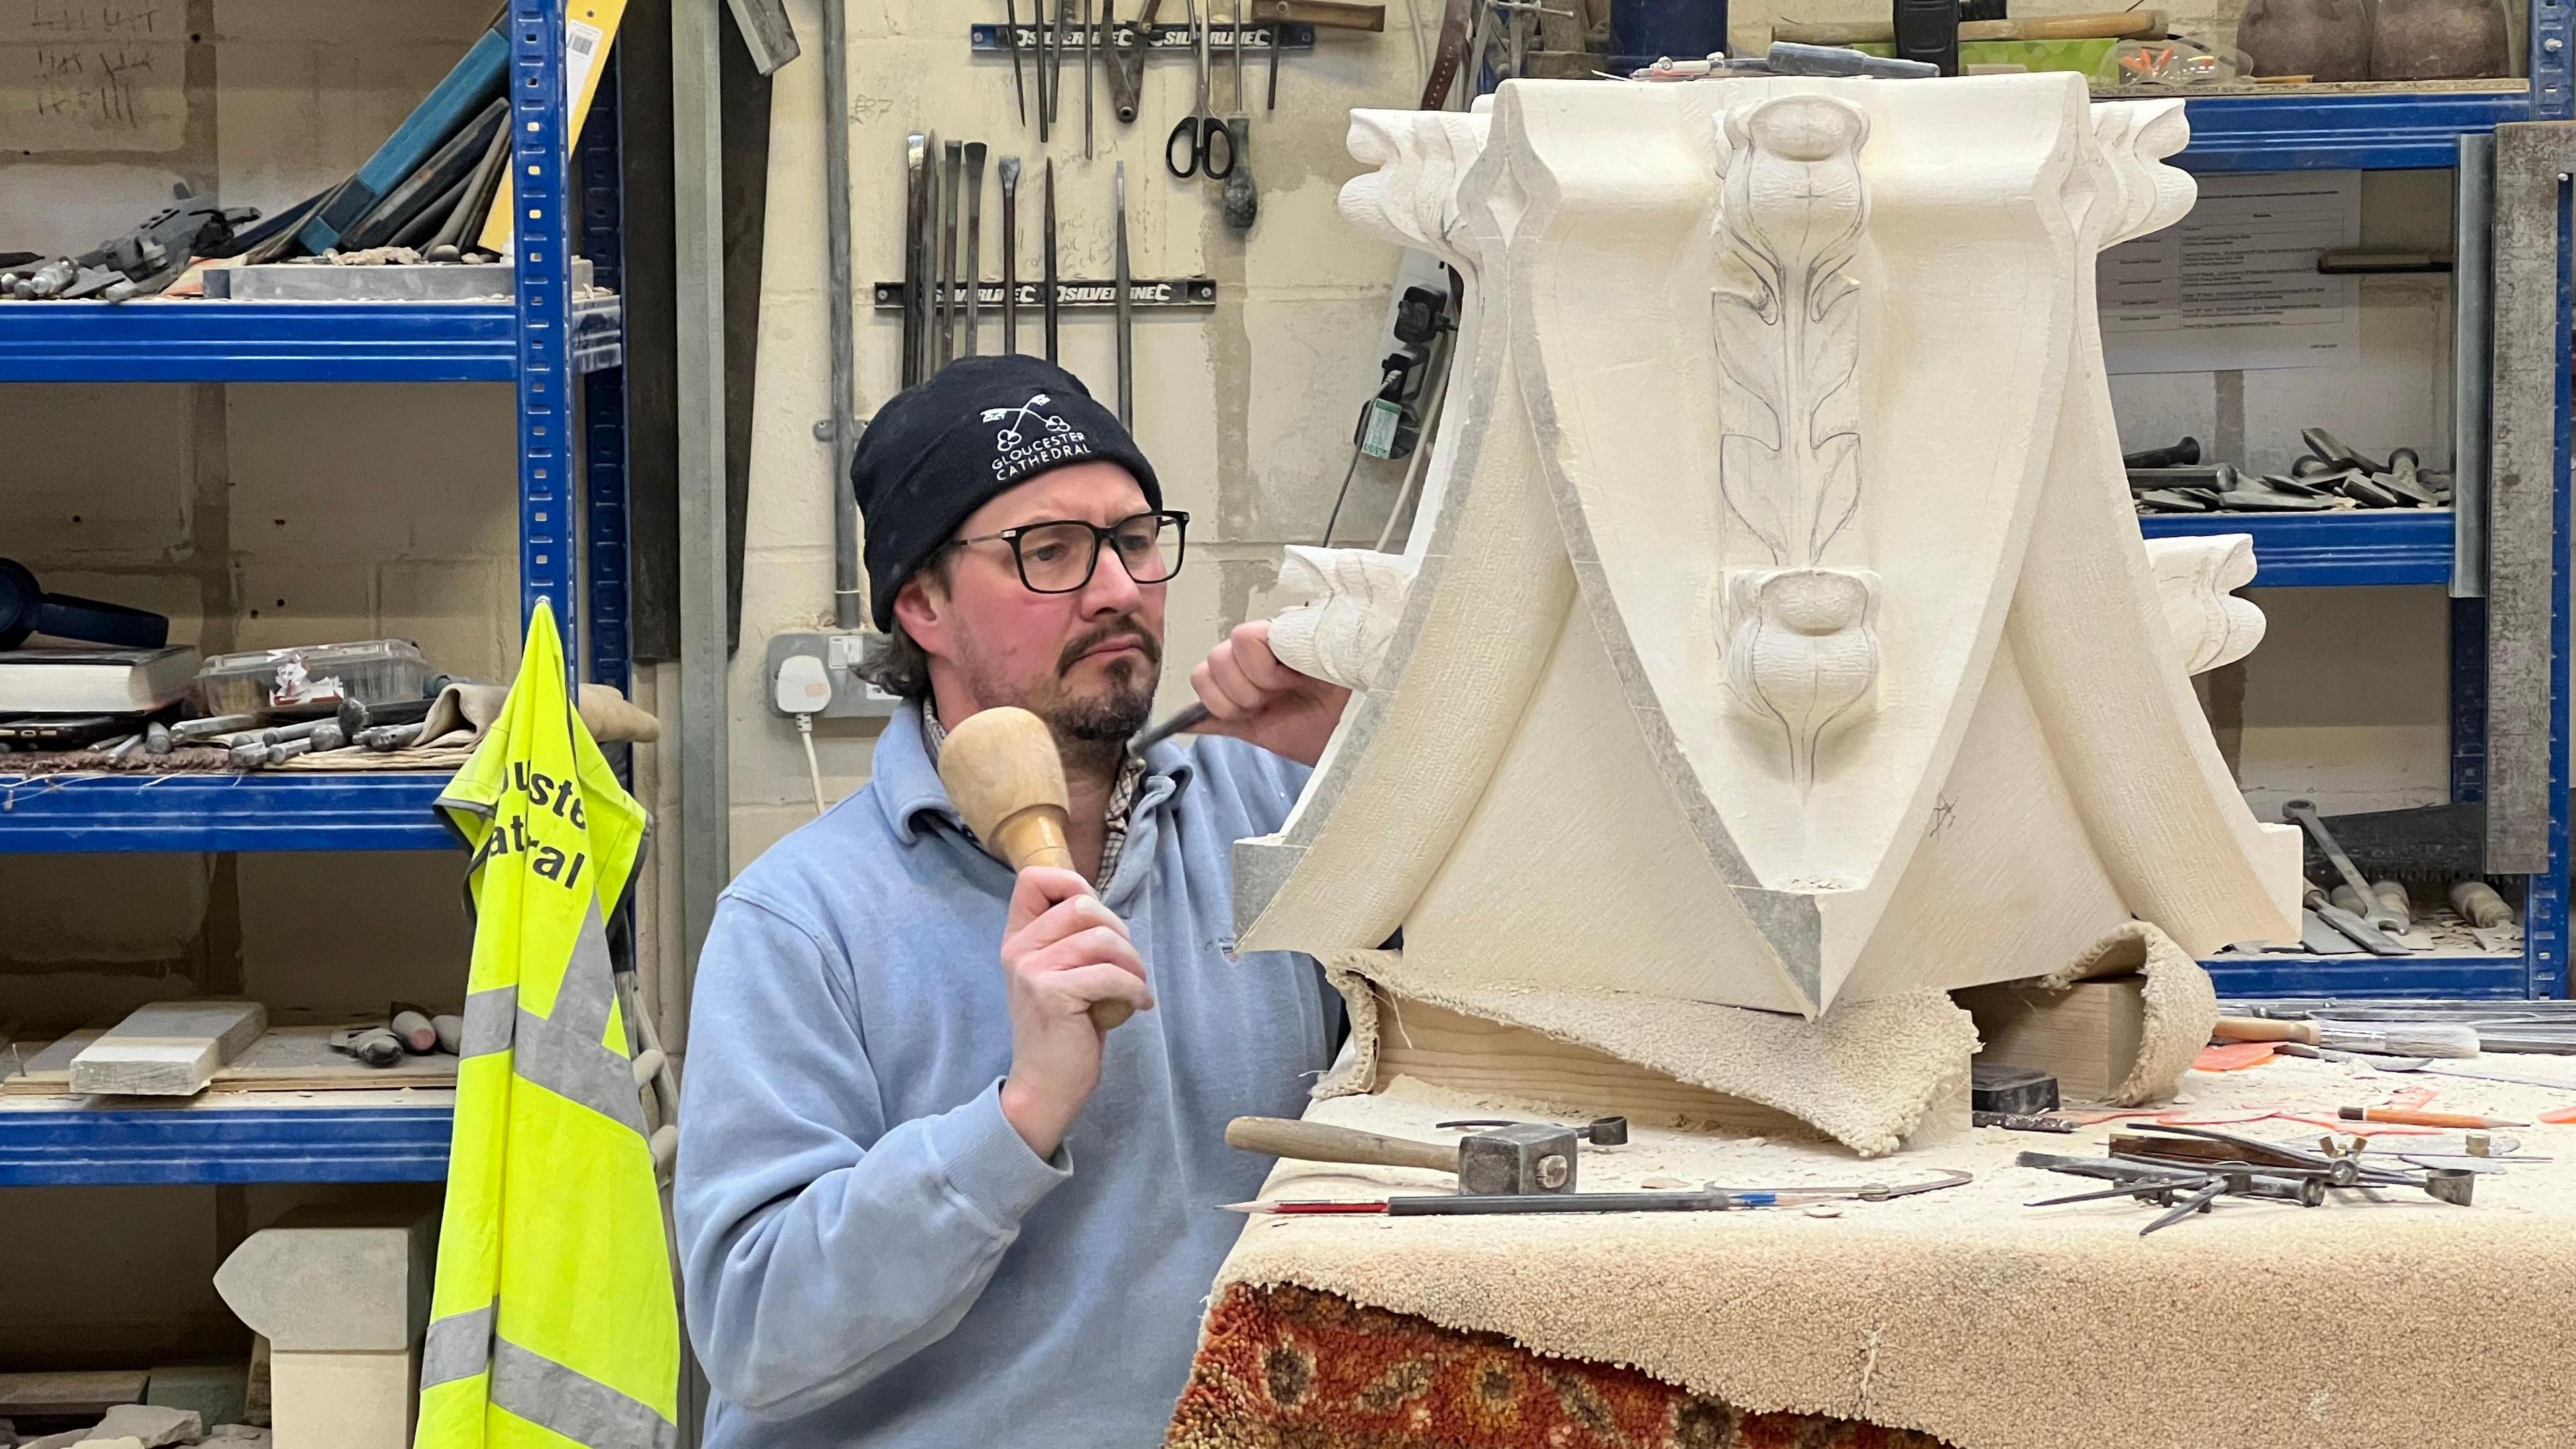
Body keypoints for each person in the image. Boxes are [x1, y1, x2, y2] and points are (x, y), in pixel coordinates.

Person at [674, 355, 1352, 1448]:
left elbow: (1514, 1043)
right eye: (1048, 553)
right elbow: (756, 1332)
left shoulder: (1278, 818)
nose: (1119, 589)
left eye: (1135, 541)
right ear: (921, 604)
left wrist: (1371, 775)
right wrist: (1017, 1116)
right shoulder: (800, 919)